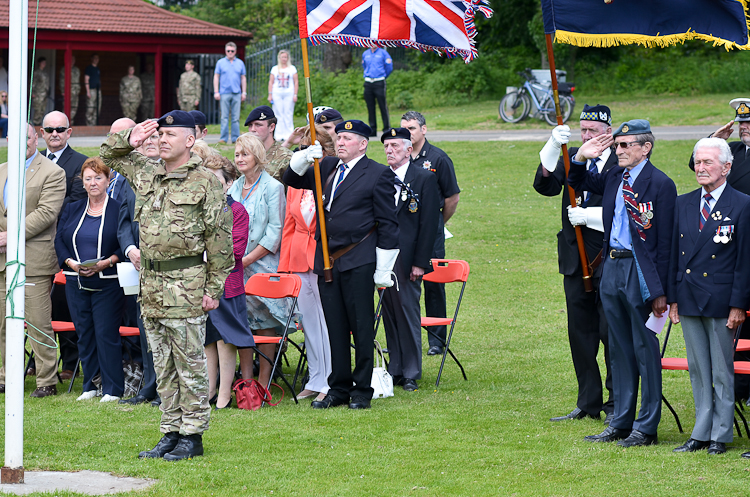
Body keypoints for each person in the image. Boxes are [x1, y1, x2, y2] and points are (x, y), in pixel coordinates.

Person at [101, 111, 233, 461]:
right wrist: (129, 139)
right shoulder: (147, 172)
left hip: (187, 283)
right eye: (159, 133)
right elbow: (107, 155)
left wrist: (213, 289)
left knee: (189, 363)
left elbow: (220, 242)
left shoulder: (206, 182)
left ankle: (192, 435)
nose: (161, 139)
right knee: (162, 364)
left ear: (190, 140)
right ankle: (170, 431)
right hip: (152, 284)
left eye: (169, 134)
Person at [568, 119, 677, 447]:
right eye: (617, 145)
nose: (619, 151)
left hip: (641, 272)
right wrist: (579, 158)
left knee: (645, 348)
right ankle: (621, 420)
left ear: (646, 147)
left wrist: (661, 292)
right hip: (612, 266)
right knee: (618, 347)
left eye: (625, 145)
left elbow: (667, 243)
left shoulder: (661, 184)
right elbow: (576, 182)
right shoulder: (616, 174)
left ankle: (646, 426)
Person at [283, 119, 400, 410]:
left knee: (360, 327)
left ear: (363, 144)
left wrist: (383, 269)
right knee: (334, 326)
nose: (341, 142)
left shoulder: (378, 174)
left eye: (348, 138)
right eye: (339, 137)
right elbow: (291, 179)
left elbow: (388, 224)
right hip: (327, 261)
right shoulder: (326, 167)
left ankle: (362, 390)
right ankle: (338, 388)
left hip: (359, 259)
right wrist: (302, 158)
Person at [534, 104, 616, 423]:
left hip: (607, 258)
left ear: (608, 132)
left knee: (611, 334)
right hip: (574, 258)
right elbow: (546, 185)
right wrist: (553, 146)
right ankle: (588, 401)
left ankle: (615, 403)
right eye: (583, 130)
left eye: (593, 131)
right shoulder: (573, 157)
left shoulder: (620, 162)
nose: (587, 136)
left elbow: (627, 209)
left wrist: (593, 218)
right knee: (580, 334)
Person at [668, 138, 750, 456]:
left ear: (726, 168)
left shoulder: (742, 204)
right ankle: (700, 433)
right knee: (698, 368)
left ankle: (721, 435)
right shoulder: (683, 203)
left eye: (708, 163)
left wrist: (739, 304)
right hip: (689, 298)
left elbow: (744, 261)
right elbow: (675, 255)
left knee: (721, 370)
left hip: (721, 300)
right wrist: (674, 298)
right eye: (698, 162)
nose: (701, 168)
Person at [0, 124, 66, 398]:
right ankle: (4, 376)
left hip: (34, 260)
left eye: (25, 138)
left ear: (35, 138)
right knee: (3, 323)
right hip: (2, 260)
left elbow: (46, 213)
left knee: (38, 322)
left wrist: (10, 236)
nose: (21, 143)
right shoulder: (2, 169)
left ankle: (46, 380)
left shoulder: (53, 172)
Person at [55, 157, 125, 402]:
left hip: (107, 281)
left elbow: (126, 243)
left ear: (108, 180)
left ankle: (113, 388)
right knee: (84, 334)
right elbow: (60, 241)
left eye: (98, 177)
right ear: (82, 183)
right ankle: (90, 386)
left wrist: (107, 262)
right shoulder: (72, 208)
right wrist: (70, 263)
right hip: (76, 280)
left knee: (106, 334)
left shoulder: (118, 209)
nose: (93, 183)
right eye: (88, 178)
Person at [226, 133, 290, 389]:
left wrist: (247, 259)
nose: (240, 159)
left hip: (261, 265)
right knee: (242, 323)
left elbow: (275, 231)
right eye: (237, 154)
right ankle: (246, 381)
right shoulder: (233, 187)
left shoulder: (273, 187)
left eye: (245, 154)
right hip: (234, 268)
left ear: (257, 156)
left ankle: (263, 382)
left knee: (264, 325)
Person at [278, 125, 335, 401]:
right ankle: (316, 377)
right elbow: (290, 223)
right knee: (310, 323)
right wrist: (286, 264)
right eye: (301, 149)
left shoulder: (333, 175)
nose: (304, 154)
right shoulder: (297, 182)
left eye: (310, 149)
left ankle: (331, 380)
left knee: (326, 322)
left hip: (324, 257)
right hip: (300, 257)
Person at [380, 128, 439, 392]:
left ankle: (412, 371)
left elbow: (429, 224)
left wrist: (420, 262)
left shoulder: (423, 178)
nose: (389, 150)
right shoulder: (380, 178)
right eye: (386, 146)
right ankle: (395, 367)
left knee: (407, 310)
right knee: (389, 312)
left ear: (408, 149)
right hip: (383, 255)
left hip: (408, 257)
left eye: (394, 145)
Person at [400, 110, 460, 356]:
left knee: (433, 283)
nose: (408, 133)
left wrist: (437, 223)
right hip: (405, 227)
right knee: (404, 281)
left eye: (412, 128)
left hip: (431, 228)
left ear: (424, 130)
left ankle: (436, 340)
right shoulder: (398, 156)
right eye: (404, 129)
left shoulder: (438, 158)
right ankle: (406, 336)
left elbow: (452, 198)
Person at [38, 110, 88, 379]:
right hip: (34, 244)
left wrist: (41, 213)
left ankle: (69, 362)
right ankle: (37, 359)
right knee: (36, 304)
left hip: (65, 245)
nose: (54, 134)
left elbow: (75, 202)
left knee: (62, 304)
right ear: (41, 133)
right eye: (49, 129)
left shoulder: (81, 163)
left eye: (60, 129)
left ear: (69, 132)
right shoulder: (32, 162)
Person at [203, 154, 253, 409]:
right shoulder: (200, 208)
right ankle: (209, 389)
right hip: (200, 282)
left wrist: (204, 253)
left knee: (225, 337)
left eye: (216, 181)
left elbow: (237, 249)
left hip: (227, 282)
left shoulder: (236, 210)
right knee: (208, 338)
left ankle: (225, 392)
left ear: (229, 183)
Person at [117, 124, 161, 407]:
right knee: (145, 327)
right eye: (144, 138)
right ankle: (148, 385)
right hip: (137, 266)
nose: (150, 142)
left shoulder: (175, 173)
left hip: (168, 268)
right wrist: (130, 249)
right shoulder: (129, 178)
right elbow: (123, 222)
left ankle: (163, 388)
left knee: (164, 330)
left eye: (155, 137)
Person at [244, 105, 293, 184]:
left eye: (258, 125)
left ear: (271, 127)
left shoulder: (286, 158)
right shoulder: (244, 154)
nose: (252, 129)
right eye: (250, 125)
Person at [214, 42, 247, 144]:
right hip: (224, 93)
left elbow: (243, 78)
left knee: (235, 118)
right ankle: (223, 138)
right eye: (228, 51)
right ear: (225, 51)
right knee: (224, 117)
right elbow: (216, 77)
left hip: (237, 93)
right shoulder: (220, 63)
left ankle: (235, 138)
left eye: (232, 51)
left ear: (235, 51)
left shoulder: (240, 63)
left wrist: (244, 92)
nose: (230, 53)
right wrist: (216, 91)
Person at [268, 50, 298, 142]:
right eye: (282, 57)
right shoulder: (275, 69)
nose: (284, 59)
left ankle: (289, 134)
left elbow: (296, 81)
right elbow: (271, 82)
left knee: (288, 113)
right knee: (278, 113)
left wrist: (295, 94)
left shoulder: (292, 68)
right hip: (277, 93)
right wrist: (270, 94)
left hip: (289, 93)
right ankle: (278, 134)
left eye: (285, 57)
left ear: (287, 58)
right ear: (279, 58)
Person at [362, 47, 393, 135]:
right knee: (370, 106)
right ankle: (373, 129)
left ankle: (386, 128)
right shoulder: (365, 53)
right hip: (368, 82)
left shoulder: (383, 53)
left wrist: (383, 76)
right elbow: (364, 66)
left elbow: (389, 66)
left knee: (382, 106)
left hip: (379, 81)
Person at [59, 56, 81, 122]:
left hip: (75, 92)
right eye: (71, 59)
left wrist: (78, 89)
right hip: (67, 92)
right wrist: (63, 91)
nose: (72, 61)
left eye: (73, 60)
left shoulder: (77, 70)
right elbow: (62, 81)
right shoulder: (64, 69)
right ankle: (64, 122)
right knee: (66, 107)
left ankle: (70, 122)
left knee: (74, 107)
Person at [84, 54, 102, 126]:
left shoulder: (97, 69)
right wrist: (88, 92)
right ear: (92, 59)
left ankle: (94, 125)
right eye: (95, 58)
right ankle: (89, 126)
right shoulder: (89, 68)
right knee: (90, 108)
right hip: (91, 90)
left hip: (98, 91)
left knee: (98, 108)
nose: (96, 60)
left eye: (97, 58)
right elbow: (86, 80)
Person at [31, 57, 49, 126]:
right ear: (39, 63)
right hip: (38, 94)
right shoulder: (36, 73)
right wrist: (33, 93)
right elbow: (33, 83)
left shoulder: (45, 73)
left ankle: (39, 125)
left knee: (42, 110)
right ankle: (35, 126)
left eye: (45, 62)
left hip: (44, 94)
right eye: (42, 62)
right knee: (37, 110)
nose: (44, 64)